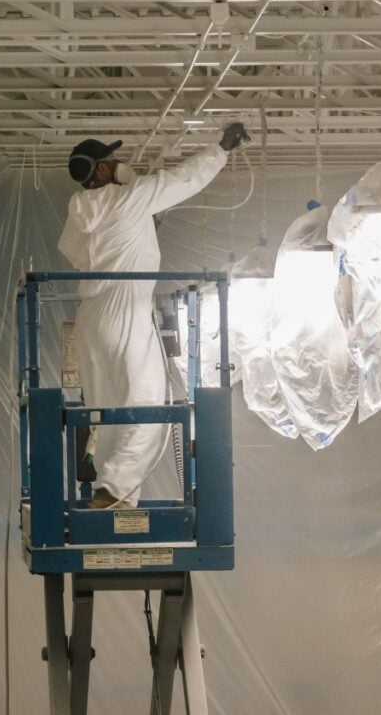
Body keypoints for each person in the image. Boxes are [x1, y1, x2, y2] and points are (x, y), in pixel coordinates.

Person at [58, 123, 250, 509]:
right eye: (110, 161)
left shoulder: (79, 211)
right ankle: (115, 488)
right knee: (147, 402)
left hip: (91, 319)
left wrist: (142, 225)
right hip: (125, 308)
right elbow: (183, 179)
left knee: (108, 406)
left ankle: (112, 493)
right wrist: (221, 148)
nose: (118, 164)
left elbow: (93, 247)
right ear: (99, 171)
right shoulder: (132, 197)